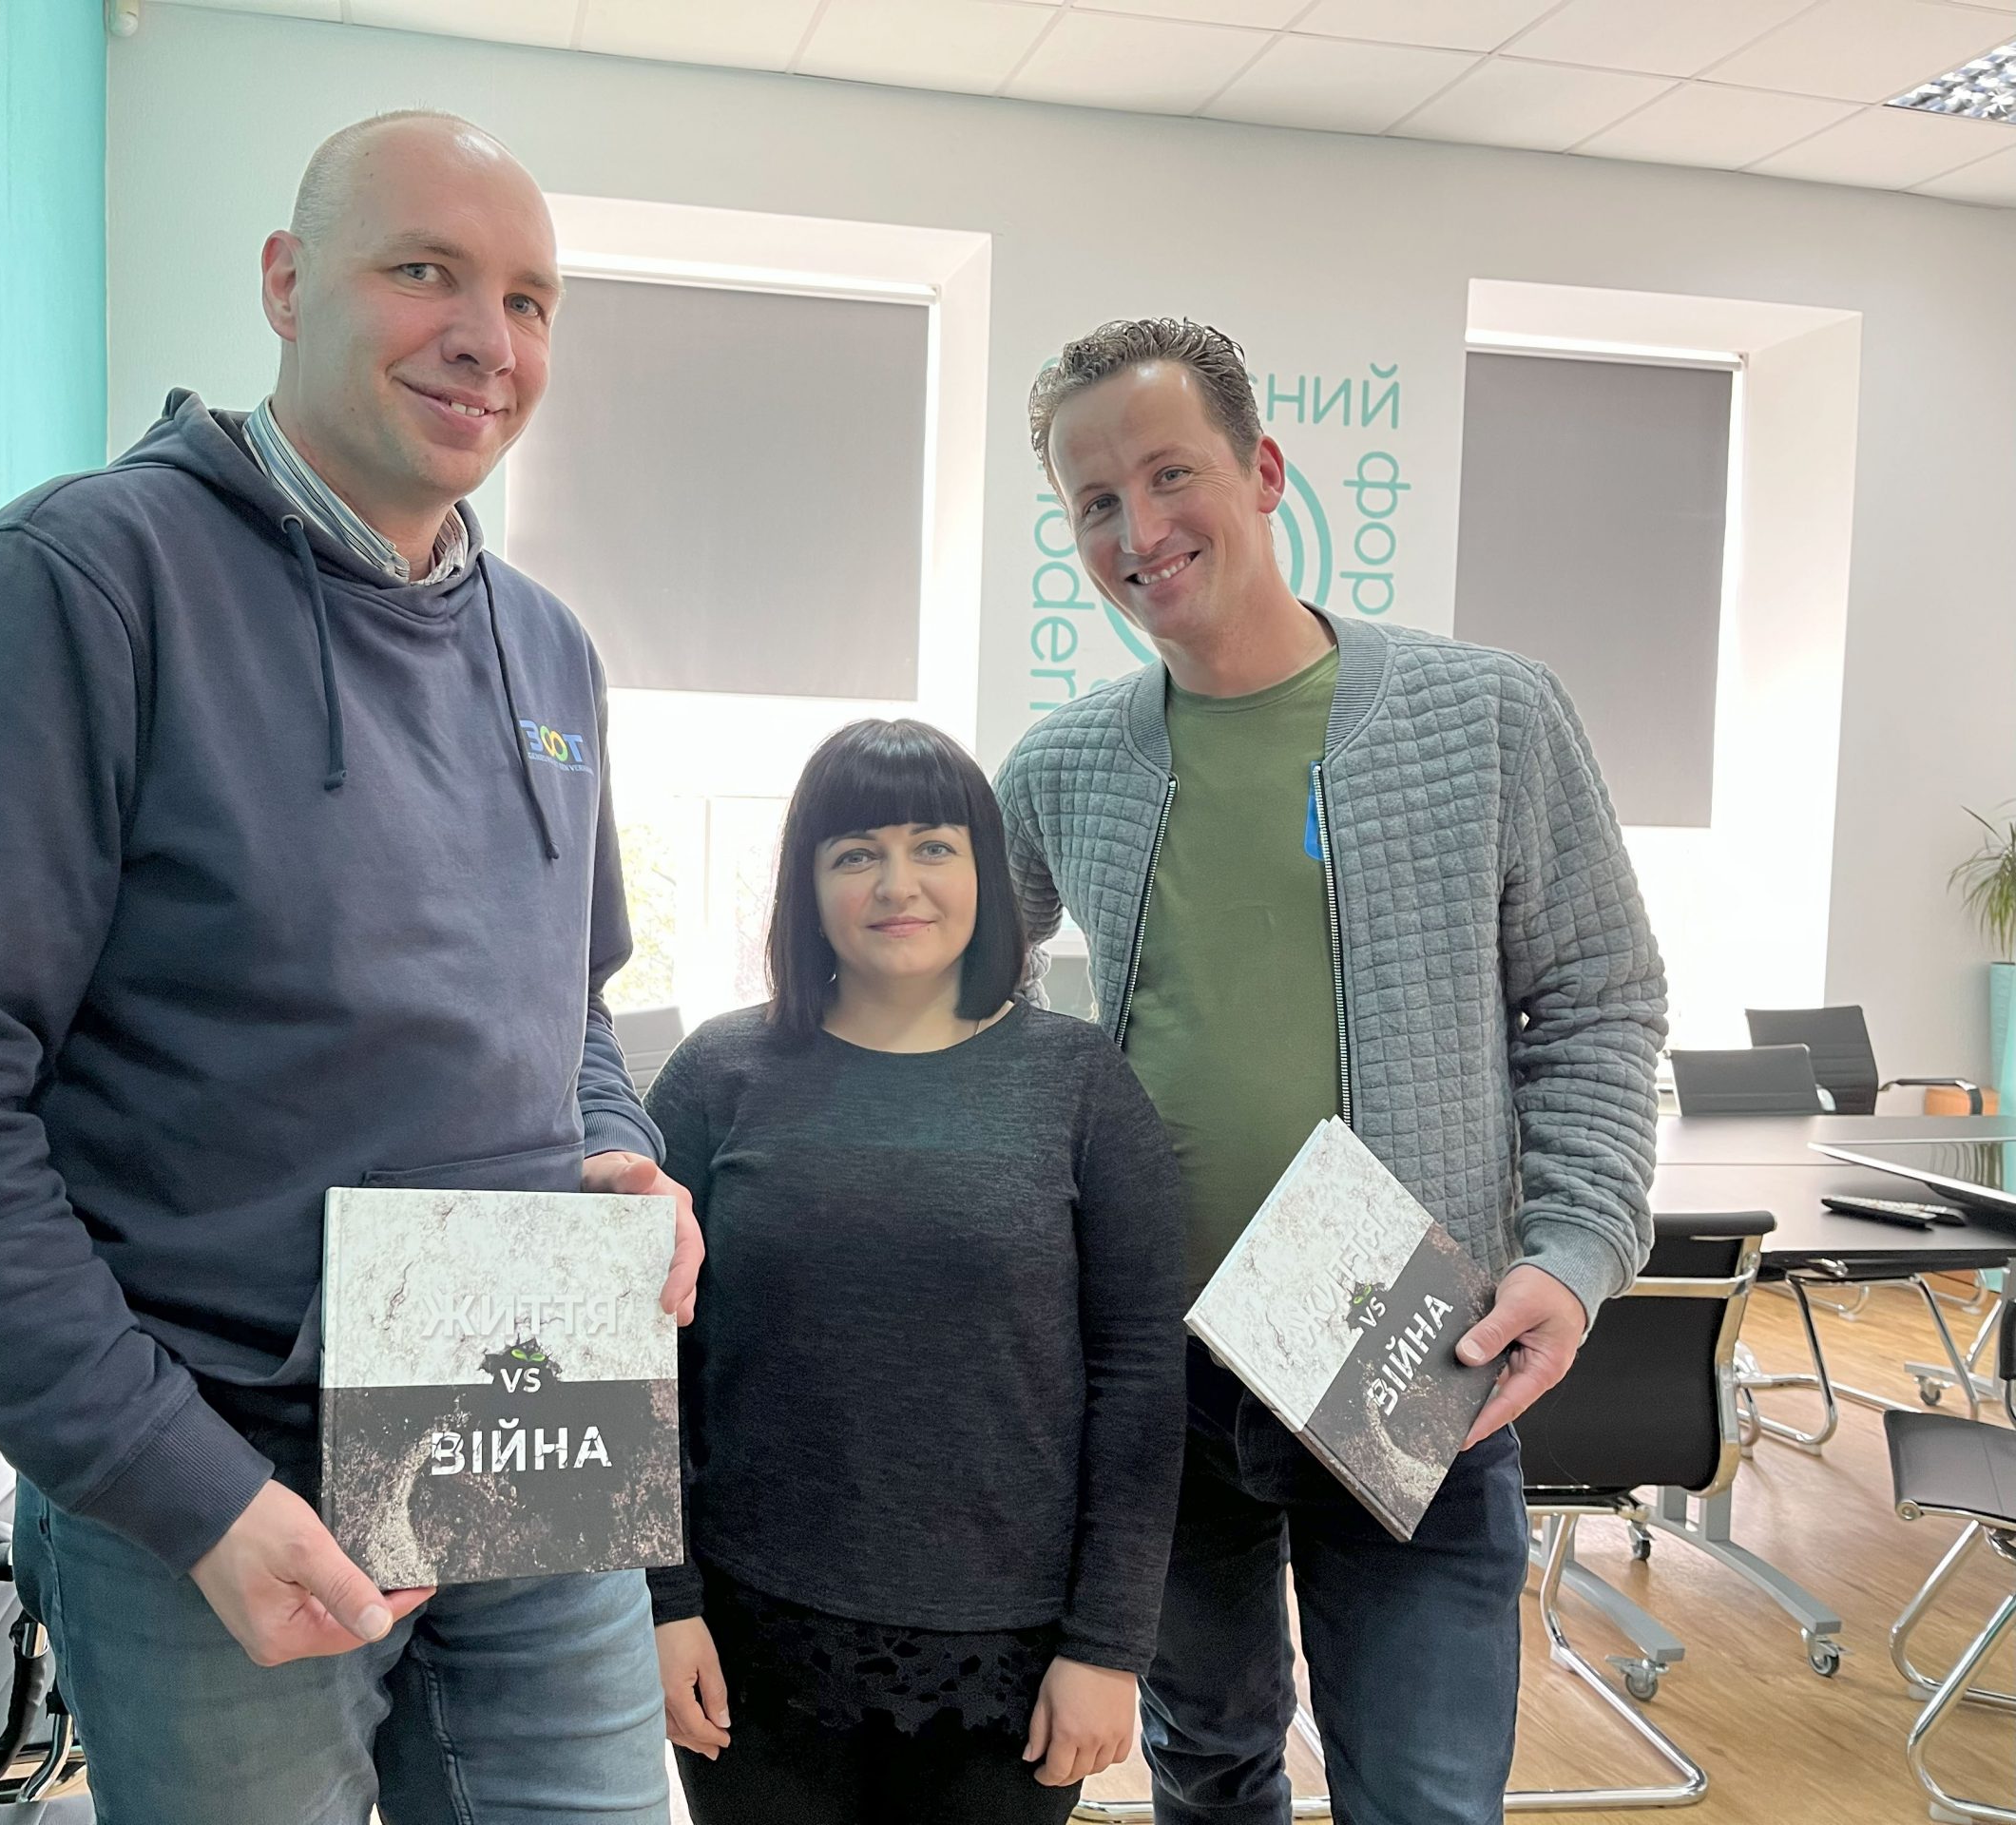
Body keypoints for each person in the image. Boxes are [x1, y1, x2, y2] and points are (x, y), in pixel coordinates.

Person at [0, 111, 700, 1825]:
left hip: (524, 1416)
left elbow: (569, 1009)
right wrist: (182, 1488)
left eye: (528, 299)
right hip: (216, 1471)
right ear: (286, 284)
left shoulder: (549, 647)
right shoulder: (80, 589)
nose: (486, 339)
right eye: (423, 271)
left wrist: (614, 1144)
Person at [998, 318, 1668, 1825]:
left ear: (1264, 471)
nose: (1138, 531)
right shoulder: (1060, 766)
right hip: (1160, 1364)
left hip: (1411, 1345)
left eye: (1170, 476)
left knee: (1424, 1794)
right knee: (1208, 1765)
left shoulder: (1489, 717)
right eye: (1095, 502)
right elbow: (961, 1003)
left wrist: (1573, 1253)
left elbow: (1599, 1002)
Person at [643, 718, 1189, 1825]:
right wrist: (660, 1603)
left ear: (986, 871)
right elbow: (644, 1361)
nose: (899, 884)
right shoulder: (716, 1074)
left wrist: (1108, 1645)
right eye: (856, 853)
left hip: (1013, 1654)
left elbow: (1138, 1376)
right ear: (806, 886)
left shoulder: (1079, 1081)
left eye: (934, 846)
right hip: (750, 1635)